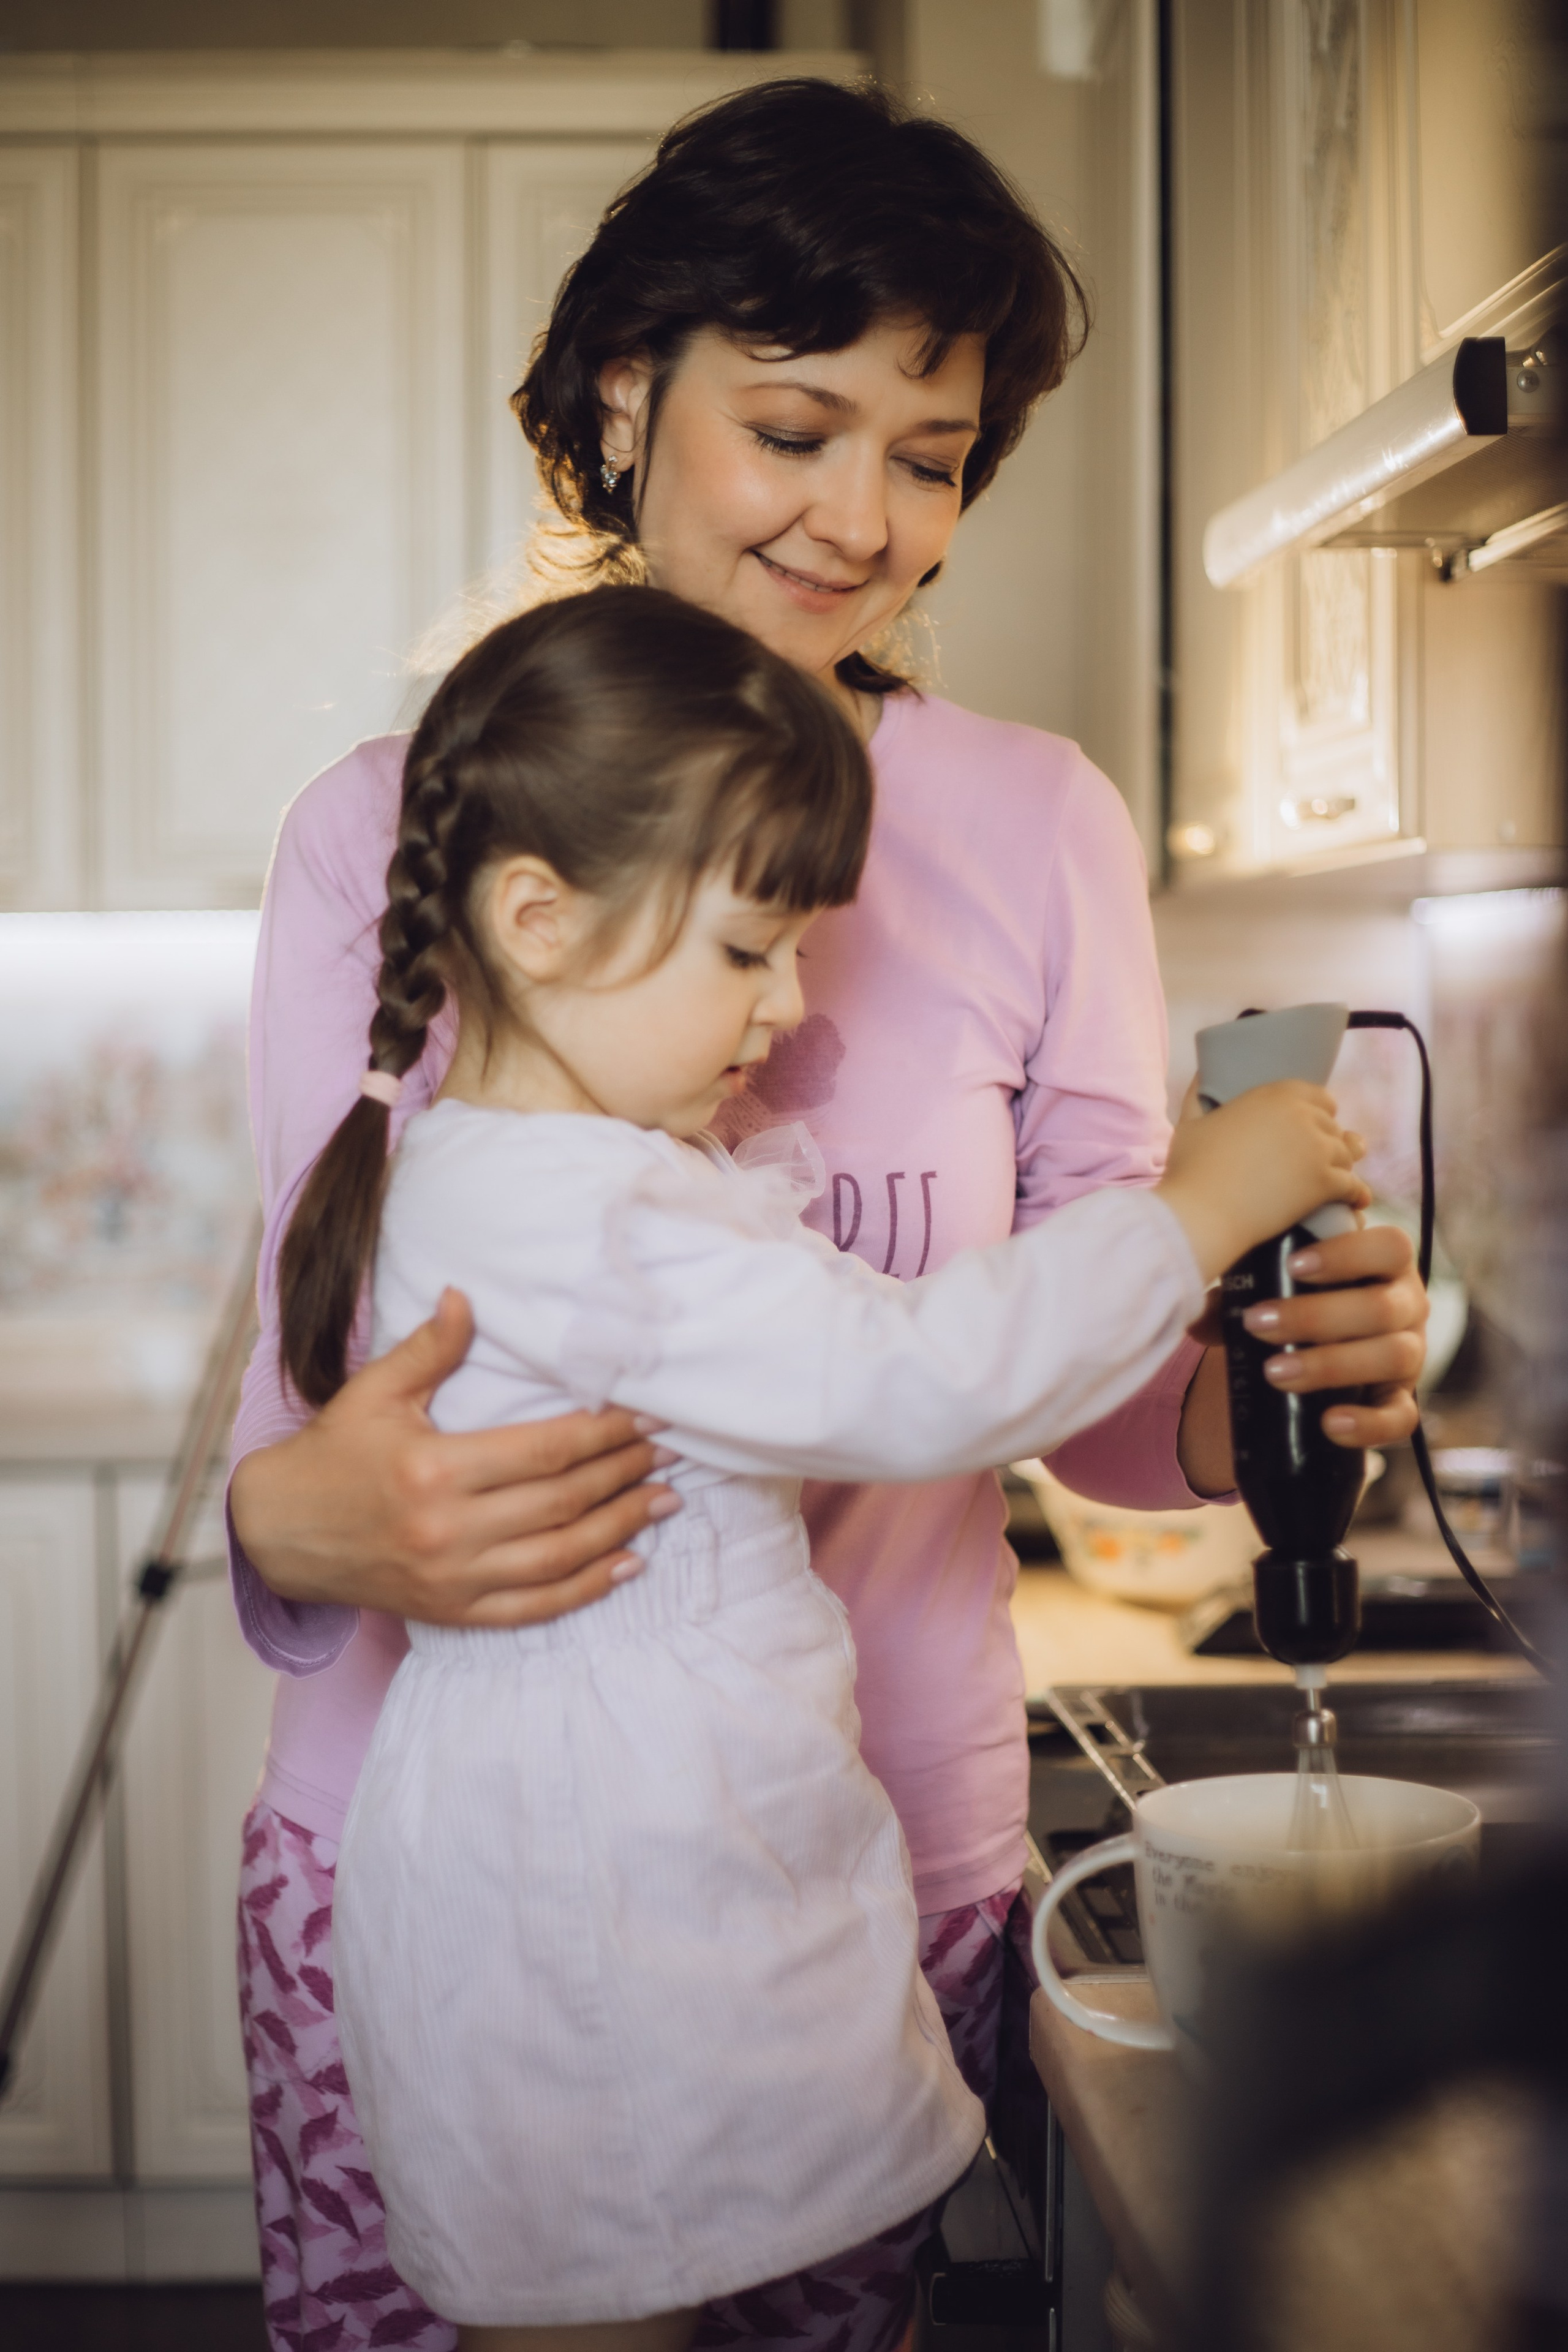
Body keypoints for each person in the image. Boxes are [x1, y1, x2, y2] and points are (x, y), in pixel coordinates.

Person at [228, 78, 1430, 2352]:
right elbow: (309, 1413)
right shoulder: (390, 828)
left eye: (932, 453)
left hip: (872, 1863)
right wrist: (321, 1527)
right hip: (445, 1863)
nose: (863, 517)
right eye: (796, 426)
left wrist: (1284, 1384)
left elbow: (1084, 1423)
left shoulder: (1036, 823)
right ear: (624, 392)